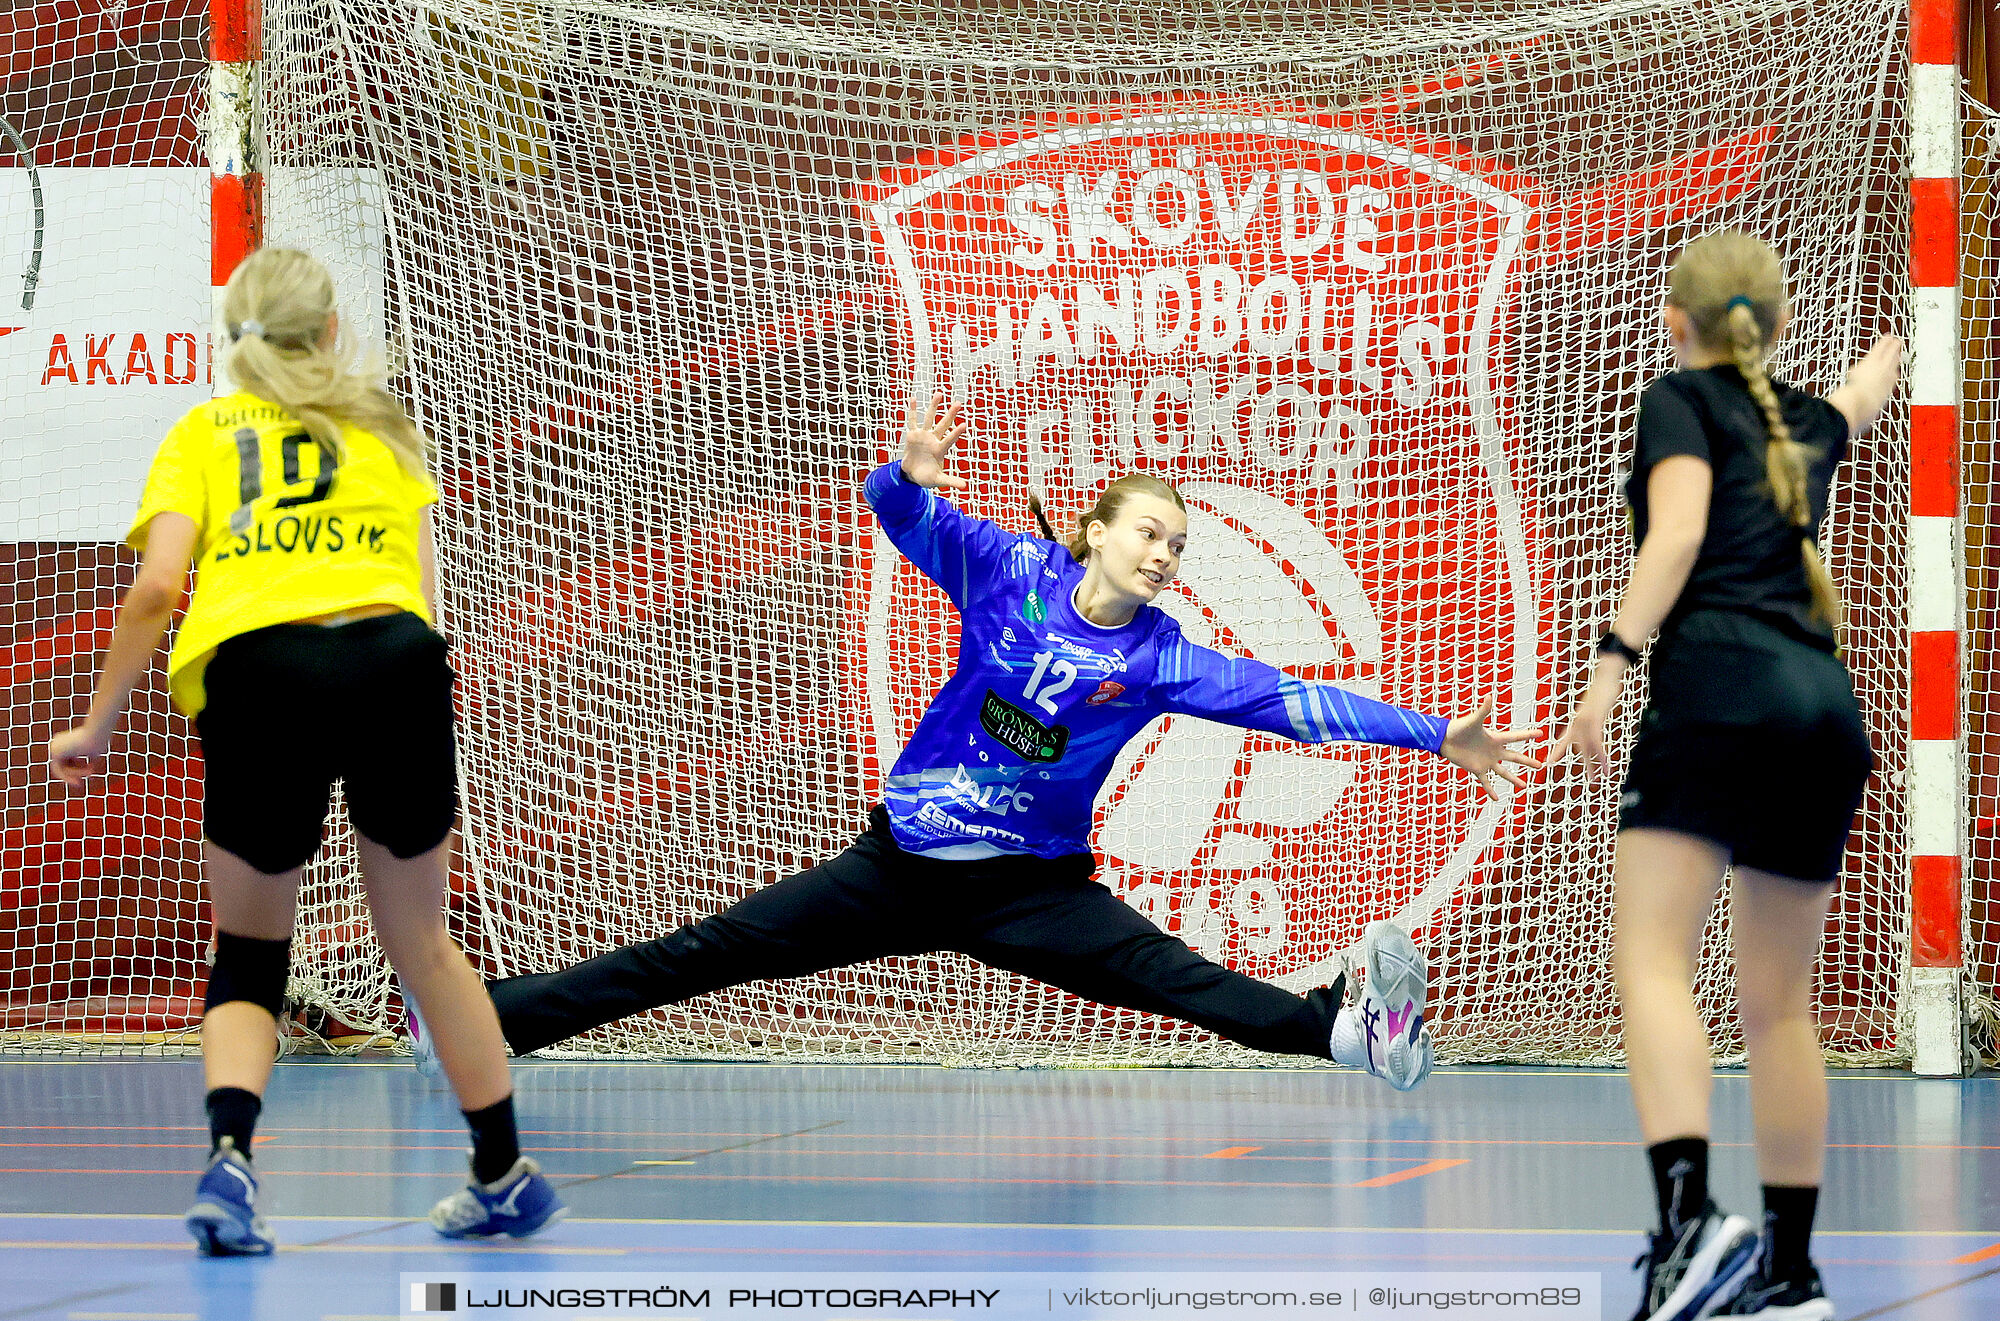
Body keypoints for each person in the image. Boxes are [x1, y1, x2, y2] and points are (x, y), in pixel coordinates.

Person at [407, 392, 1542, 1088]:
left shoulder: (1158, 659)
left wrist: (1436, 732)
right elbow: (899, 515)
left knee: (1176, 979)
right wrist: (904, 475)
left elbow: (1295, 702)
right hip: (895, 870)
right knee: (703, 952)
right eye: (1147, 531)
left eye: (1177, 546)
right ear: (1093, 529)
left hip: (1029, 893)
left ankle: (1346, 1035)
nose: (1162, 555)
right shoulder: (1005, 574)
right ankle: (482, 1023)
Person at [46, 247, 565, 1255]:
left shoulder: (202, 431)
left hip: (263, 677)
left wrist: (98, 723)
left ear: (232, 337)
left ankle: (231, 1166)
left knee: (249, 953)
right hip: (395, 661)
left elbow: (157, 589)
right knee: (422, 945)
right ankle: (502, 1168)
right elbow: (420, 590)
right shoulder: (385, 427)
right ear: (330, 333)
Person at [1551, 230, 1900, 1321]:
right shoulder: (1808, 423)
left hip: (1715, 690)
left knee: (1651, 958)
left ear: (1676, 323)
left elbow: (1676, 534)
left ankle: (1688, 1227)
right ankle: (1790, 1272)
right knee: (1778, 1005)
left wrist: (1608, 666)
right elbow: (1855, 395)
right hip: (1820, 710)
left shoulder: (1678, 398)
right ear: (1776, 324)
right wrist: (1888, 356)